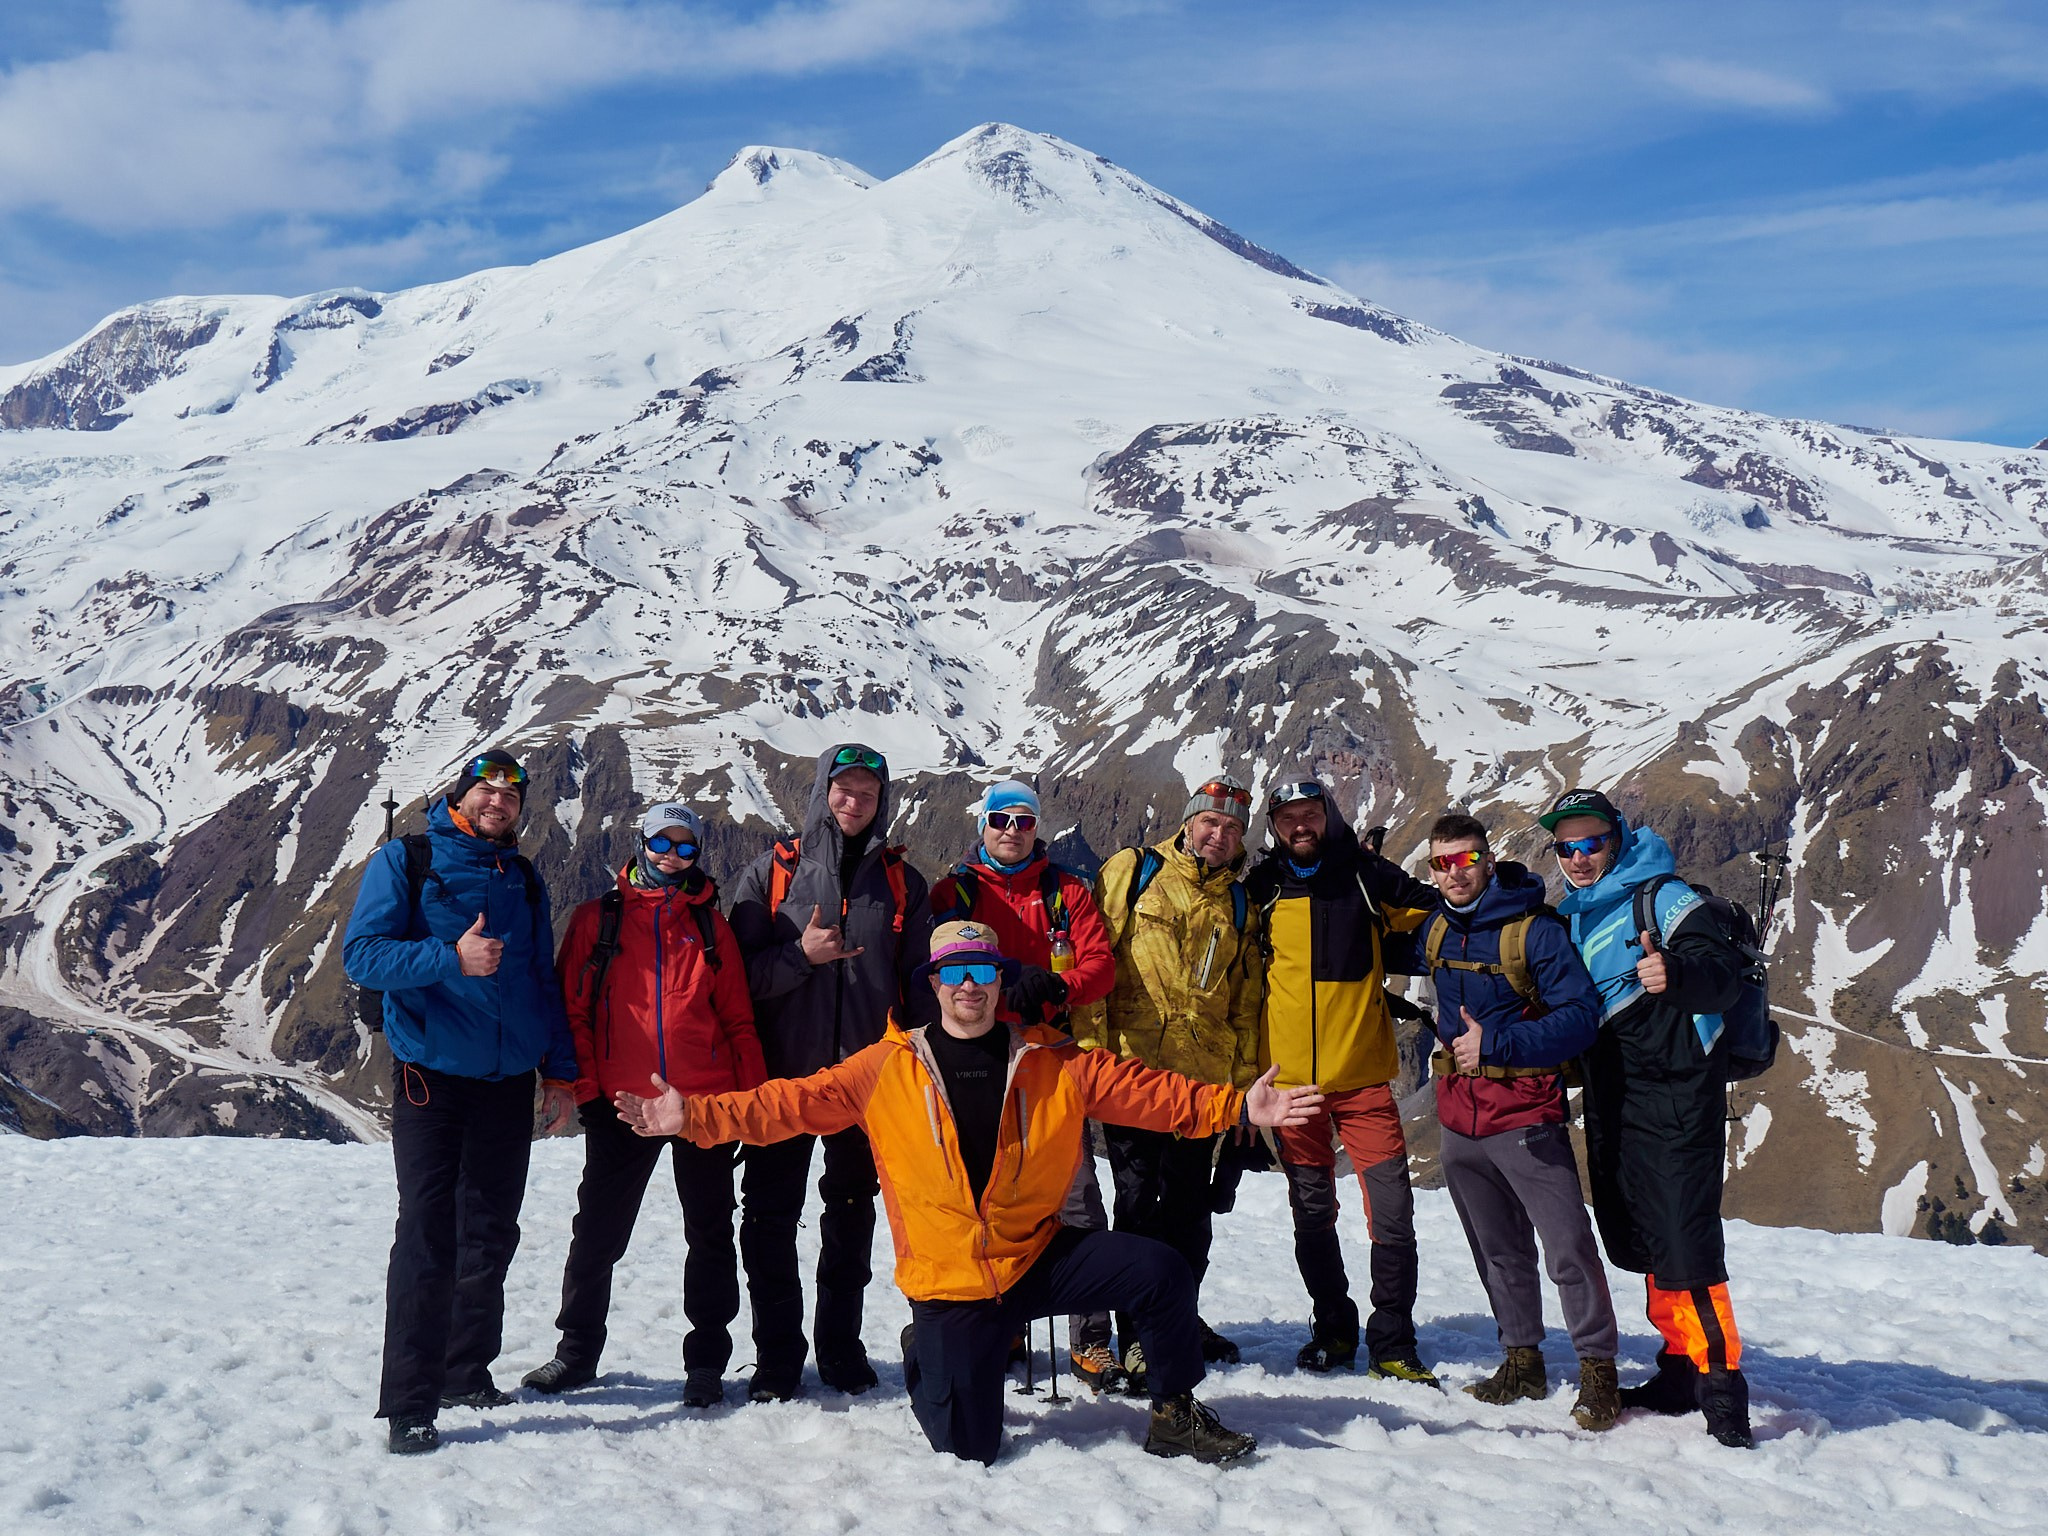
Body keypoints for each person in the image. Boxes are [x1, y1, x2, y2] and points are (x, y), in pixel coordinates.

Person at [614, 920, 1325, 1465]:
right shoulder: (885, 1068)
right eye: (953, 971)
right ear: (934, 980)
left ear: (997, 979)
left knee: (1159, 1269)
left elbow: (1145, 1093)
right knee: (969, 1448)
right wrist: (693, 1117)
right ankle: (927, 1349)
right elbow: (789, 1105)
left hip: (1037, 1257)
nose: (968, 985)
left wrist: (1238, 1109)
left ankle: (1175, 1414)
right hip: (951, 1281)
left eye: (981, 970)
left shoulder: (1050, 1061)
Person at [342, 749, 578, 1456]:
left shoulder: (524, 877)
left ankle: (465, 1372)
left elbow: (541, 979)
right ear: (462, 794)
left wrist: (559, 1073)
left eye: (511, 794)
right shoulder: (404, 861)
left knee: (491, 1230)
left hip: (508, 1083)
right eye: (487, 789)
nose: (498, 802)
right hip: (432, 1081)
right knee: (427, 1233)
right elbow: (363, 957)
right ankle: (410, 1403)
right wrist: (451, 959)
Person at [522, 802, 764, 1408]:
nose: (673, 857)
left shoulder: (712, 926)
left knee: (709, 1233)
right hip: (622, 1102)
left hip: (702, 1103)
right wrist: (587, 1091)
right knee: (598, 1232)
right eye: (663, 842)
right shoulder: (595, 919)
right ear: (641, 841)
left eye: (686, 848)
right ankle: (576, 1352)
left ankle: (706, 1362)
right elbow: (572, 1011)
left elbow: (738, 1020)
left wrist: (752, 1103)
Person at [1542, 788, 1755, 1448]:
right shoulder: (1575, 914)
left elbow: (1723, 974)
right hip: (1615, 1097)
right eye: (1565, 847)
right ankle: (1676, 1367)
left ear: (1617, 837)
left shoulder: (1660, 896)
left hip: (1675, 1096)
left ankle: (1722, 1390)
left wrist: (1677, 971)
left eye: (1591, 843)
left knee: (1686, 1243)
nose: (1579, 857)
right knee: (1648, 1237)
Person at [726, 744, 933, 1400]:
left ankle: (841, 1348)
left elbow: (920, 986)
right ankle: (777, 1358)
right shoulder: (769, 875)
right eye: (843, 790)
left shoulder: (903, 883)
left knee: (851, 1210)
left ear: (882, 802)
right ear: (822, 793)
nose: (853, 802)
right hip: (785, 1076)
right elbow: (734, 986)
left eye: (867, 794)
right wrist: (800, 956)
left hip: (869, 1081)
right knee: (769, 1213)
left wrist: (924, 1064)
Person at [1417, 811, 1619, 1430]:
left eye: (1468, 858)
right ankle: (1522, 1359)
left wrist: (1499, 1046)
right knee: (1497, 1251)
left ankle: (1598, 1372)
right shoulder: (1435, 930)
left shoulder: (1536, 932)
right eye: (1443, 863)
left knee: (1567, 1249)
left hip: (1526, 1116)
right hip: (1459, 1120)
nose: (1457, 872)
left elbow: (1582, 1016)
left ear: (1487, 858)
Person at [929, 778, 1124, 1390]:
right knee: (986, 1200)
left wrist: (1058, 988)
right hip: (973, 1057)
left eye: (1024, 821)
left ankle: (1091, 1342)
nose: (1012, 831)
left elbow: (1101, 965)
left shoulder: (1066, 891)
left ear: (1038, 827)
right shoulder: (955, 891)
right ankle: (998, 1319)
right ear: (982, 825)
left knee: (1076, 1199)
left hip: (1045, 1057)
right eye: (1000, 820)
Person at [1245, 778, 1438, 1384]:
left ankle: (1392, 1340)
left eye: (1310, 814)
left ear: (1327, 815)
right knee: (1311, 1213)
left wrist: (1515, 891)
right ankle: (1332, 1327)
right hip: (1291, 1089)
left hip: (1362, 1083)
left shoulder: (1366, 875)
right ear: (1274, 826)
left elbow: (1443, 908)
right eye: (1288, 818)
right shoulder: (1261, 889)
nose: (1300, 826)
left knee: (1393, 1212)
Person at [1072, 774, 1264, 1383]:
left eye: (1232, 829)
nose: (1219, 834)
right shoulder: (1135, 870)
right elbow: (1094, 966)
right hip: (1131, 1075)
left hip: (1203, 1086)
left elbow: (1244, 1003)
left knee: (1189, 1211)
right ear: (1189, 822)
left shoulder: (1239, 903)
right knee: (1135, 1205)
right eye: (1211, 822)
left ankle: (1174, 1319)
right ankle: (1135, 1334)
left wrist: (1239, 1098)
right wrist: (1089, 1060)